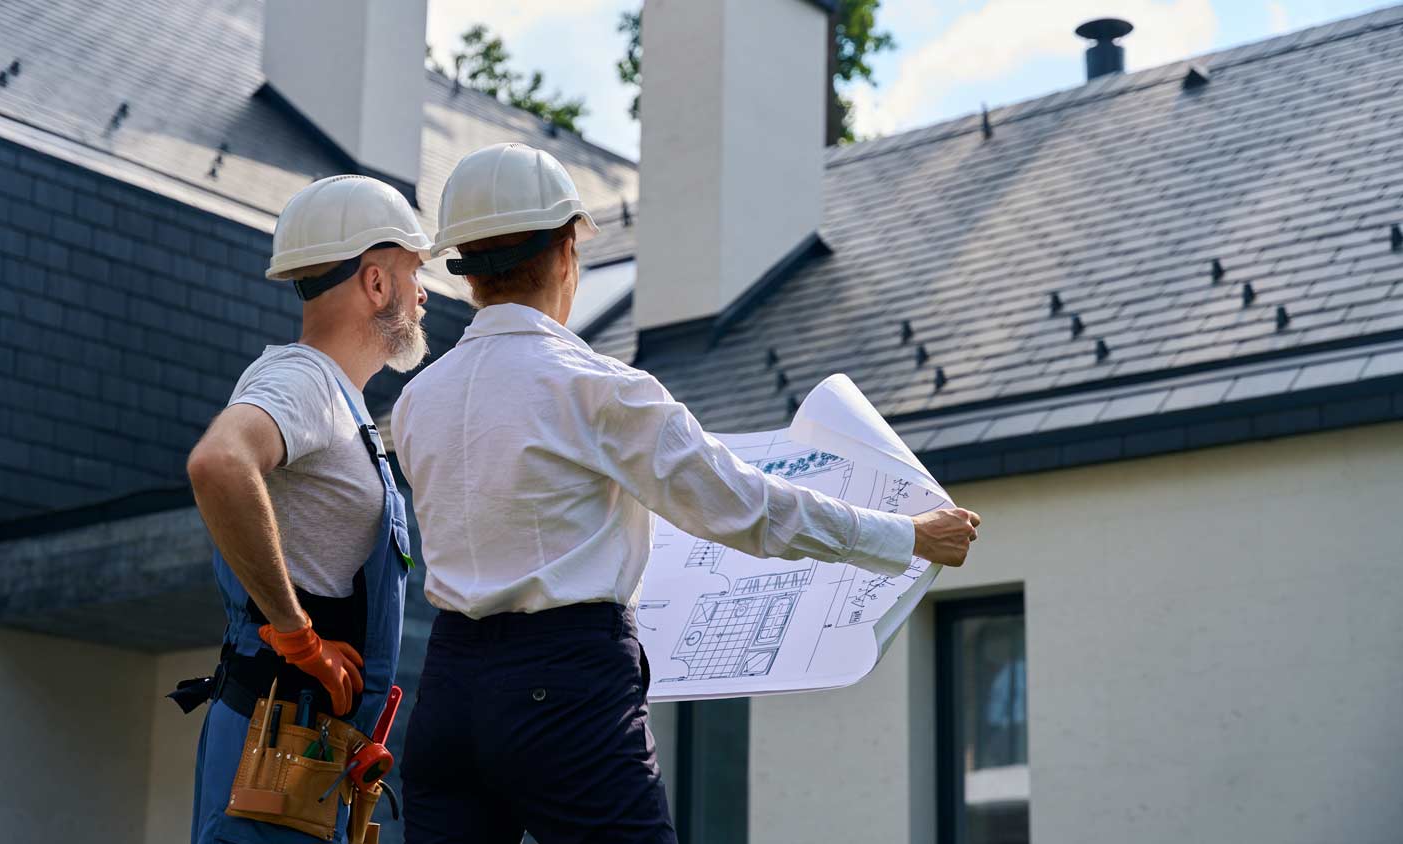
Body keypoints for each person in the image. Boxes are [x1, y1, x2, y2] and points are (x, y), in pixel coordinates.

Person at [391, 143, 982, 844]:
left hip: (448, 692)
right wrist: (908, 535)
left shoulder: (414, 401)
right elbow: (748, 508)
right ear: (564, 254)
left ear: (462, 269)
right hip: (564, 692)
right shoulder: (597, 388)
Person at [175, 175, 432, 844]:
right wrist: (296, 636)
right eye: (414, 272)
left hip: (303, 759)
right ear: (376, 284)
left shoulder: (338, 402)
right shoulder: (304, 380)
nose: (425, 294)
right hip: (276, 751)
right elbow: (219, 462)